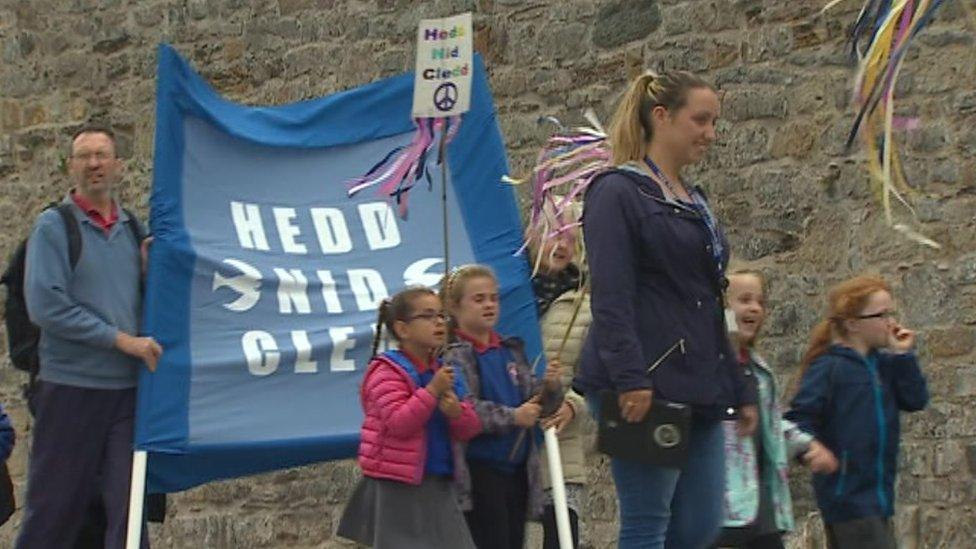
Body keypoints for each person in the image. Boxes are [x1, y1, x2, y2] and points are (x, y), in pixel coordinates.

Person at [573, 70, 758, 549]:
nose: (710, 134)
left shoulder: (697, 202)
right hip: (644, 379)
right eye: (700, 120)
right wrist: (631, 377)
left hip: (701, 377)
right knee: (648, 522)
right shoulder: (616, 191)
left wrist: (739, 385)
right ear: (661, 116)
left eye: (714, 122)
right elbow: (611, 294)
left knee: (700, 525)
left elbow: (710, 300)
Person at [18, 125, 161, 549]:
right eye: (85, 156)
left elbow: (139, 305)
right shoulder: (54, 227)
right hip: (70, 391)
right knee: (54, 512)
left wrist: (151, 277)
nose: (94, 164)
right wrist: (121, 341)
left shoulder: (134, 230)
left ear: (118, 165)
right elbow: (47, 307)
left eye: (102, 155)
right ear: (71, 166)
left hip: (126, 393)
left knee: (129, 512)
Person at [786, 275, 928, 549]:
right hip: (847, 496)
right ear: (853, 324)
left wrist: (903, 356)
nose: (890, 322)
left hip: (878, 497)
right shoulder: (829, 368)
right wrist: (810, 449)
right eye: (881, 315)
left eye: (891, 313)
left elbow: (915, 399)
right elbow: (798, 419)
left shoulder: (884, 365)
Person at [337, 286, 481, 549]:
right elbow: (398, 423)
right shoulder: (386, 371)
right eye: (428, 316)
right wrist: (431, 391)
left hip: (440, 483)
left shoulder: (445, 371)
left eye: (441, 315)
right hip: (399, 485)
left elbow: (470, 427)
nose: (439, 322)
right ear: (402, 329)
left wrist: (456, 413)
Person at [442, 264, 563, 549]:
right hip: (481, 470)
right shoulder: (455, 356)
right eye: (479, 299)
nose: (489, 305)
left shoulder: (510, 350)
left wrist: (551, 387)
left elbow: (539, 402)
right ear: (455, 306)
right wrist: (514, 416)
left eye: (493, 298)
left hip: (516, 469)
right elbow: (467, 408)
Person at [716, 270, 838, 549]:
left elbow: (770, 424)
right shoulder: (710, 365)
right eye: (744, 299)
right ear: (721, 306)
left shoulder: (759, 370)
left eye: (760, 301)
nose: (754, 308)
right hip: (722, 511)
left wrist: (806, 446)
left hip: (761, 508)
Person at [531, 222, 589, 549]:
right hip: (511, 437)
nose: (560, 243)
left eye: (569, 235)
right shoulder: (507, 298)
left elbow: (595, 371)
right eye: (552, 232)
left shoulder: (586, 304)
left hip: (560, 440)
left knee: (562, 536)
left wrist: (572, 404)